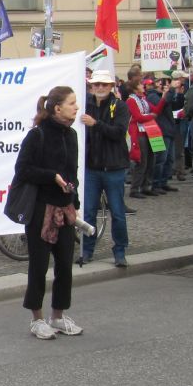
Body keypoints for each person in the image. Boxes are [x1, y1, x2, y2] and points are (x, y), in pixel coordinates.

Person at [14, 86, 83, 339]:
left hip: (65, 208)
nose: (76, 107)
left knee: (65, 265)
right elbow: (22, 170)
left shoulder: (72, 134)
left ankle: (58, 316)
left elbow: (72, 172)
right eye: (72, 103)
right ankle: (37, 319)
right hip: (40, 210)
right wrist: (51, 176)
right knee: (39, 266)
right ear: (57, 108)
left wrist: (74, 198)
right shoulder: (37, 135)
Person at [80, 70, 131, 267]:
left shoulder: (120, 106)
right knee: (88, 212)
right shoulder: (85, 104)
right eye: (96, 84)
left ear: (111, 86)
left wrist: (95, 124)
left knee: (117, 212)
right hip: (92, 167)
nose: (100, 87)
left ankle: (120, 251)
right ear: (91, 86)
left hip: (114, 167)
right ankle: (87, 250)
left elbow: (118, 132)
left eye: (104, 84)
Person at [125, 78, 168, 198]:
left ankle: (146, 186)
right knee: (141, 162)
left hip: (149, 132)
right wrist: (151, 116)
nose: (142, 86)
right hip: (139, 133)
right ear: (135, 88)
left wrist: (163, 97)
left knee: (151, 160)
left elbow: (156, 110)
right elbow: (138, 117)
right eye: (140, 84)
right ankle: (135, 188)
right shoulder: (131, 100)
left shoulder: (143, 99)